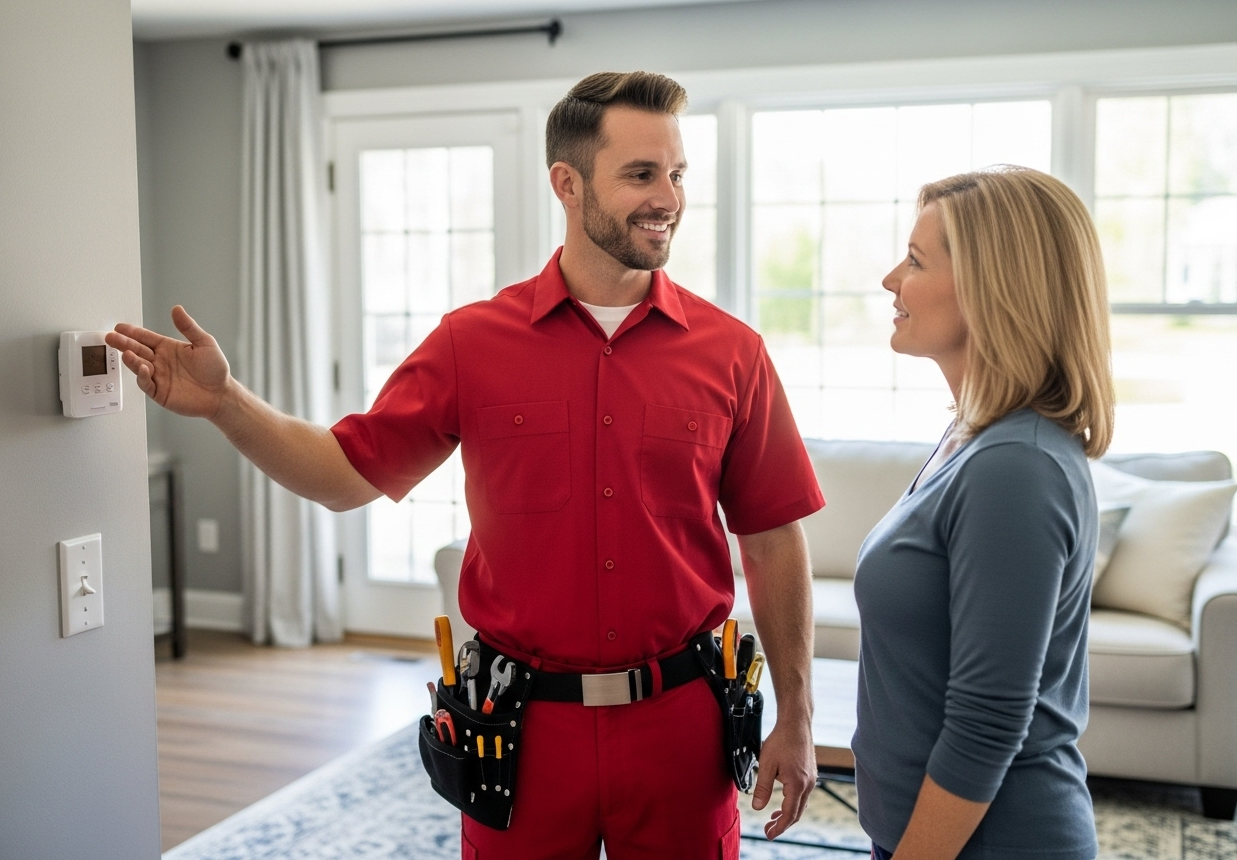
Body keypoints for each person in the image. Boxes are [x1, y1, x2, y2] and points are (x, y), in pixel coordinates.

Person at [107, 71, 825, 859]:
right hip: (520, 732)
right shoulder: (472, 343)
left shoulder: (733, 353)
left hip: (681, 725)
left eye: (678, 173)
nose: (668, 197)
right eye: (641, 174)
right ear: (567, 182)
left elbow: (772, 536)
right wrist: (224, 403)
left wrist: (798, 710)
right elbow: (344, 475)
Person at [855, 167, 1115, 860]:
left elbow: (987, 722)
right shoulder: (971, 437)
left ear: (989, 286)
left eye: (914, 261)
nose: (890, 280)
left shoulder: (1015, 468)